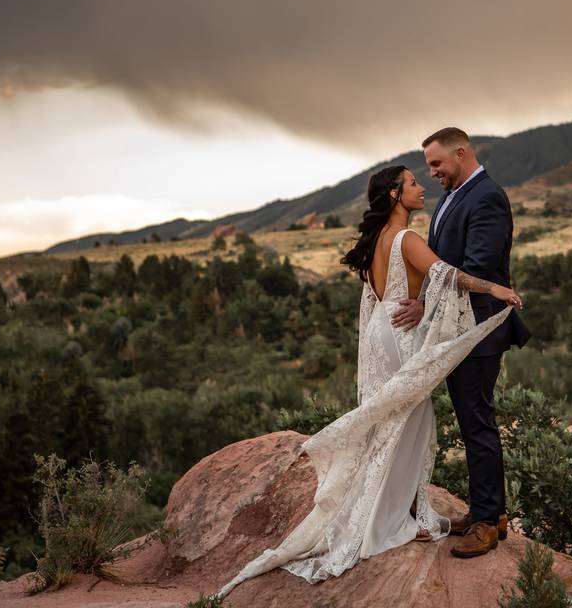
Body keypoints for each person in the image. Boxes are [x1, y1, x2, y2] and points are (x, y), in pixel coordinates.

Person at [212, 163, 522, 599]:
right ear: (395, 196)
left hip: (384, 329)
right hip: (399, 336)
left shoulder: (378, 240)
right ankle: (389, 517)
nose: (421, 187)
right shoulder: (406, 238)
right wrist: (495, 289)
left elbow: (400, 289)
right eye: (413, 183)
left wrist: (415, 300)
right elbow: (446, 275)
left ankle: (399, 509)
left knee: (391, 420)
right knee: (406, 423)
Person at [392, 127, 530, 558]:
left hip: (479, 329)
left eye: (437, 164)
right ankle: (487, 511)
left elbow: (477, 268)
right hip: (458, 329)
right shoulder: (456, 195)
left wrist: (425, 305)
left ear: (461, 153)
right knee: (474, 424)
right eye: (428, 166)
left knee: (478, 424)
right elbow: (441, 264)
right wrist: (420, 303)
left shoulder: (486, 195)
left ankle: (488, 523)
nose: (431, 173)